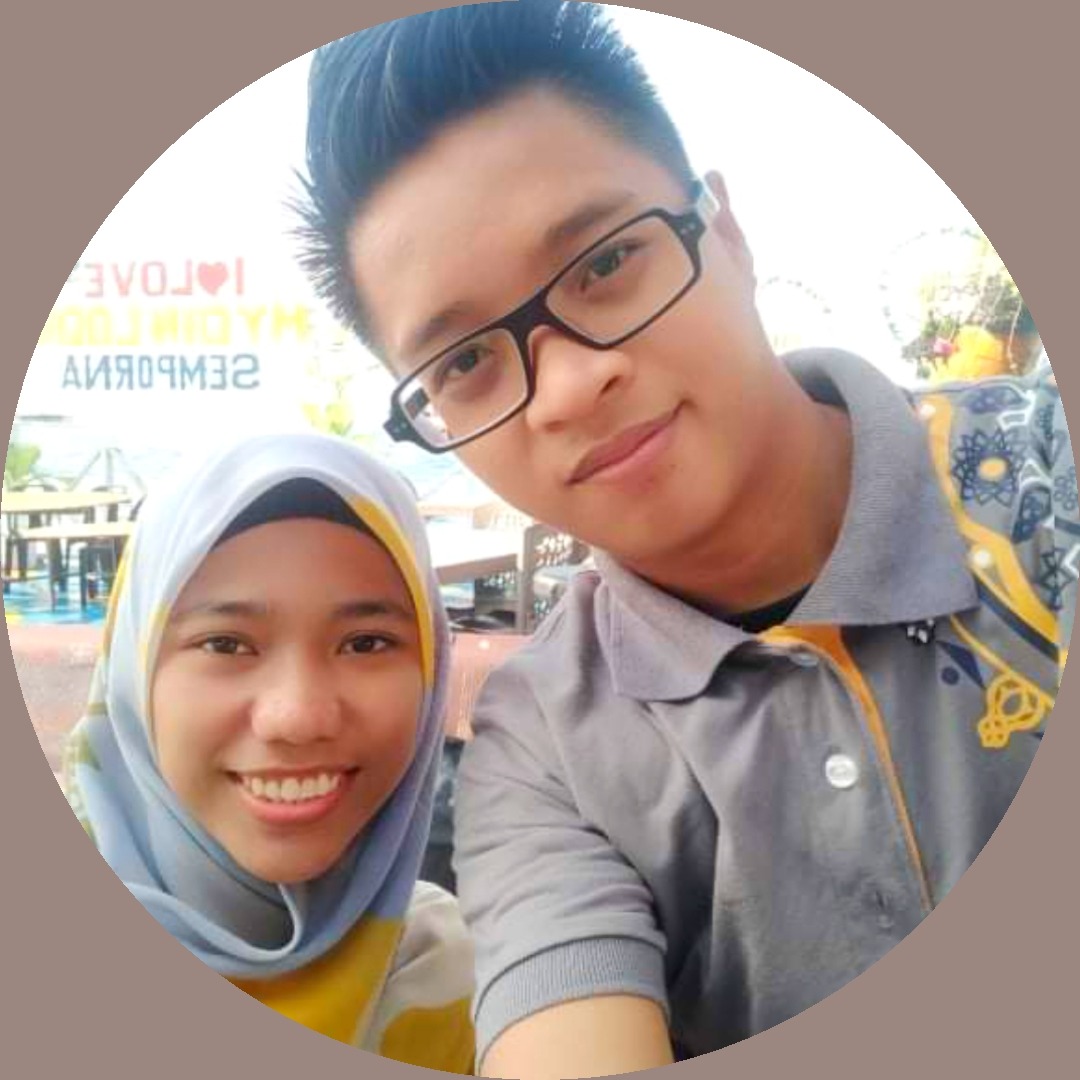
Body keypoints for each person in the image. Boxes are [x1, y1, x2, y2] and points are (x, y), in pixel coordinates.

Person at [294, 2, 1075, 1075]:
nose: (569, 386)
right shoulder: (543, 744)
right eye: (466, 361)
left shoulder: (1043, 477)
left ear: (727, 232)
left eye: (608, 260)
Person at [61, 431, 475, 1070]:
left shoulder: (462, 974)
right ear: (132, 675)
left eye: (365, 643)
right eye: (225, 644)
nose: (298, 718)